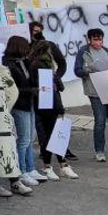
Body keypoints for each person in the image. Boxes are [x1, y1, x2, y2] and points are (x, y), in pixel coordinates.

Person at [73, 29, 108, 162]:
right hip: (95, 92)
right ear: (89, 40)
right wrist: (87, 70)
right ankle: (99, 151)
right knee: (100, 122)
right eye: (95, 39)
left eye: (100, 39)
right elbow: (77, 71)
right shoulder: (83, 52)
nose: (98, 42)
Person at [29, 38, 78, 180]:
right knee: (50, 135)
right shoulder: (42, 65)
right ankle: (50, 165)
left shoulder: (40, 63)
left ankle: (61, 164)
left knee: (54, 135)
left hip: (47, 103)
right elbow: (51, 87)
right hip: (47, 104)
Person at [3, 36, 41, 189]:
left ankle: (31, 168)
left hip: (29, 102)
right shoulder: (9, 65)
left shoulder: (24, 62)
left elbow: (30, 80)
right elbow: (12, 88)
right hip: (20, 104)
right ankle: (22, 170)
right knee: (23, 139)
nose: (28, 50)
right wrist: (32, 90)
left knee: (30, 138)